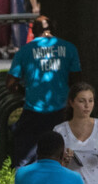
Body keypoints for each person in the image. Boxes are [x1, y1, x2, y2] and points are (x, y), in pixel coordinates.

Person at [7, 17, 81, 164]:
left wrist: (24, 91)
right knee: (64, 148)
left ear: (33, 31)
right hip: (62, 109)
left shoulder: (24, 51)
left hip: (34, 109)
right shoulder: (70, 48)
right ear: (53, 29)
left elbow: (10, 83)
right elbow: (76, 81)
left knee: (26, 152)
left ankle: (25, 177)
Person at [56, 83, 98, 184]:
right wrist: (65, 160)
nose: (87, 105)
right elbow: (55, 165)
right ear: (71, 102)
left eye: (90, 100)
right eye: (82, 101)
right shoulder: (60, 130)